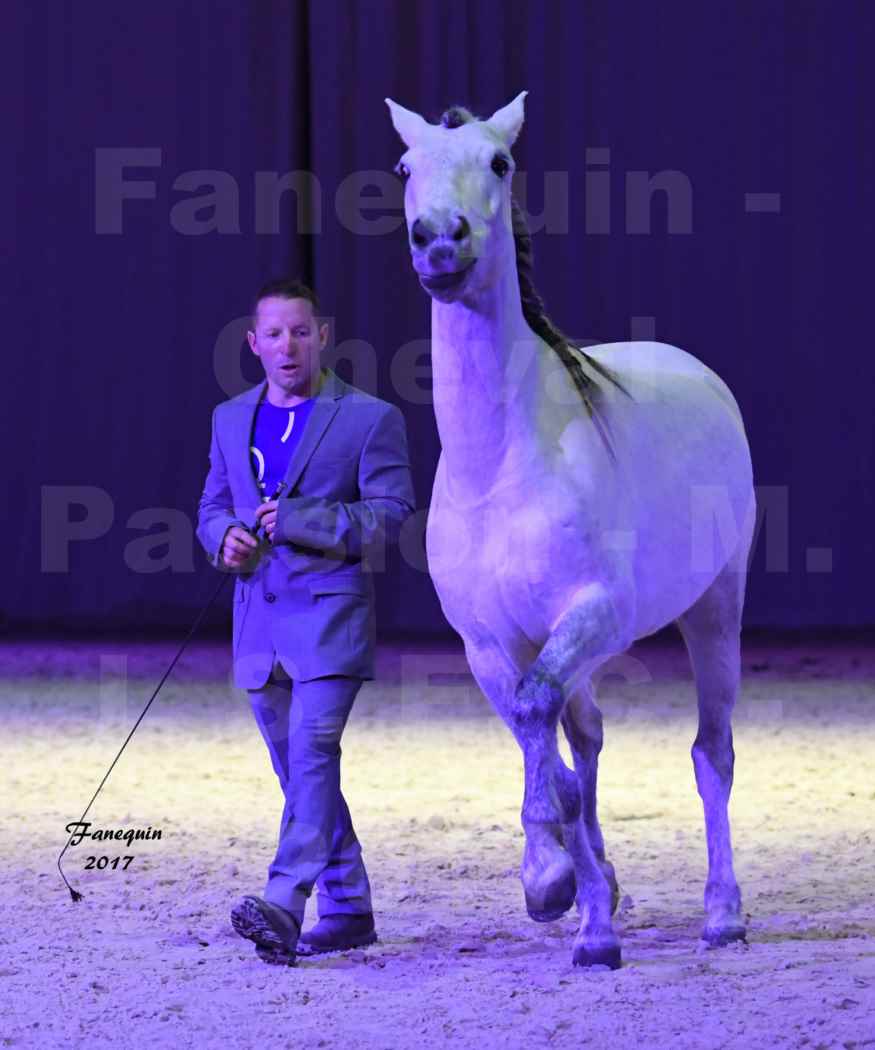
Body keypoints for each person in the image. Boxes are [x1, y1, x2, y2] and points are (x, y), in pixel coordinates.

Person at [196, 278, 415, 965]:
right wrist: (222, 536)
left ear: (322, 336)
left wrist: (300, 520)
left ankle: (284, 903)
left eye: (301, 331)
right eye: (274, 334)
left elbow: (391, 512)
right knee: (299, 771)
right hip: (256, 623)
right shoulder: (229, 417)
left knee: (314, 753)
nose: (287, 345)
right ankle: (348, 906)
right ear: (252, 343)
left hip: (329, 620)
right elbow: (210, 506)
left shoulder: (368, 417)